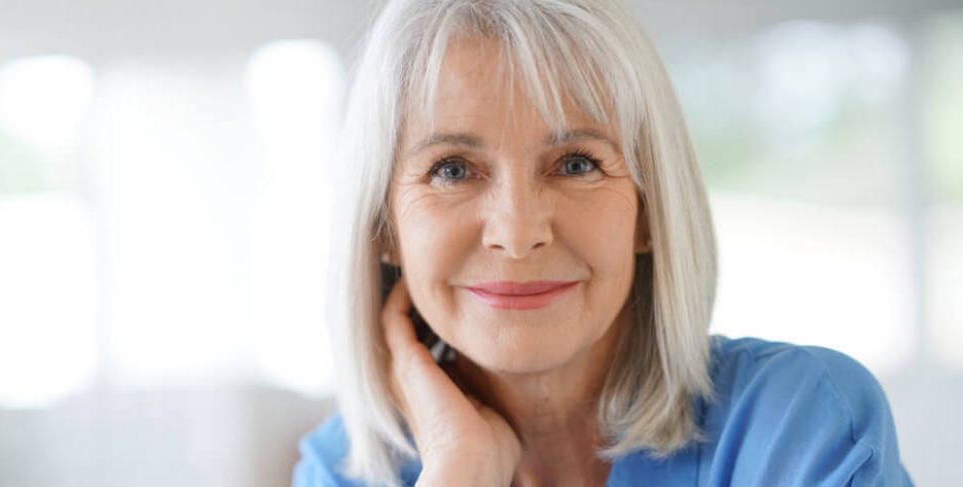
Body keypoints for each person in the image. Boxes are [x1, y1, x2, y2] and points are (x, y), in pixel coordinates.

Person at [293, 0, 914, 485]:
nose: (518, 232)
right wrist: (459, 470)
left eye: (576, 164)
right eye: (452, 169)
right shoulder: (340, 470)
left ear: (649, 211)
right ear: (384, 229)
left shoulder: (799, 425)